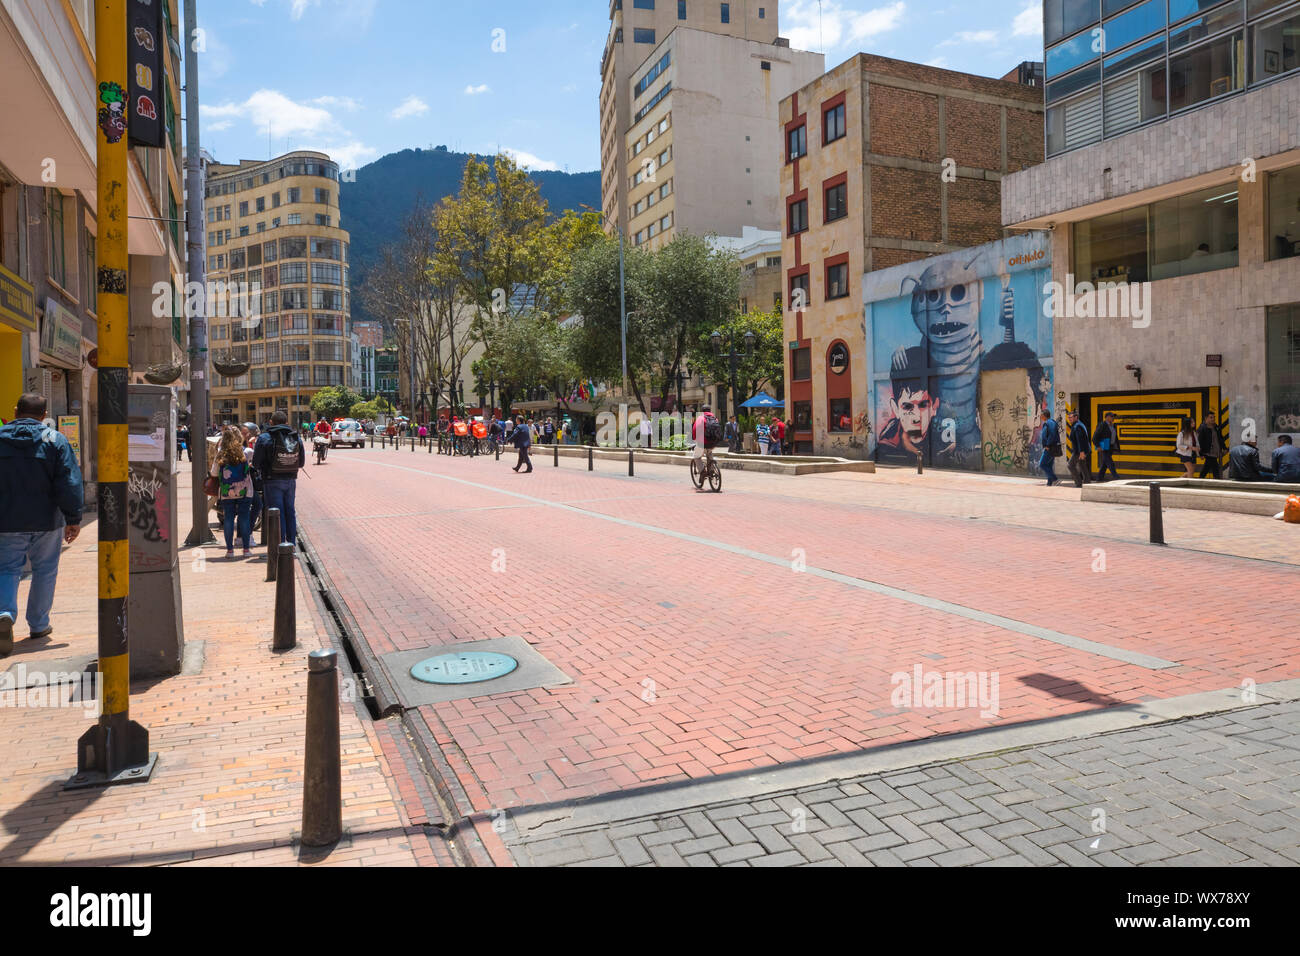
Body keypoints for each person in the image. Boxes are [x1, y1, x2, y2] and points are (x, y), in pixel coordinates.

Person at [0, 394, 82, 656]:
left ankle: (4, 613)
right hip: (47, 520)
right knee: (45, 571)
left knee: (7, 569)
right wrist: (73, 518)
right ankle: (39, 625)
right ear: (44, 413)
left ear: (15, 411)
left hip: (6, 520)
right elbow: (69, 482)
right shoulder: (55, 440)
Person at [254, 410, 306, 546]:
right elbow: (301, 463)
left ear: (271, 422)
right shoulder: (295, 437)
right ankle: (291, 545)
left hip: (271, 480)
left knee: (277, 513)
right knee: (290, 511)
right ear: (286, 422)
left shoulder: (264, 438)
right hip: (290, 480)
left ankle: (281, 546)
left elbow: (256, 463)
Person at [211, 426, 255, 558]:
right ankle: (246, 550)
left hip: (226, 492)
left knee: (229, 519)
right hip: (245, 490)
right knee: (244, 519)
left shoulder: (221, 454)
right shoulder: (247, 451)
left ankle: (230, 551)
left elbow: (213, 473)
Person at [1066, 410, 1092, 488]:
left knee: (1070, 465)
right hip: (1083, 450)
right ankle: (1087, 481)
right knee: (1082, 465)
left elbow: (1080, 439)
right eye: (1068, 417)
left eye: (1071, 417)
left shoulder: (1077, 426)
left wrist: (1081, 452)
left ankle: (1078, 483)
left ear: (1076, 417)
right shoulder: (1079, 424)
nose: (1069, 419)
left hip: (1079, 451)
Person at [1094, 412, 1121, 482]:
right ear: (1107, 417)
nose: (1113, 418)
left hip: (1111, 446)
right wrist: (1098, 446)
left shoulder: (1113, 426)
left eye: (1113, 417)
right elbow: (1095, 437)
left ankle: (1099, 478)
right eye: (1112, 416)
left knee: (1105, 463)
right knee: (1110, 462)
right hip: (1104, 446)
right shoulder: (1102, 425)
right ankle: (1116, 477)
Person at [1038, 408, 1062, 487]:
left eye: (1041, 415)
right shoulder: (1049, 422)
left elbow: (1052, 435)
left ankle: (1055, 479)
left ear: (1044, 415)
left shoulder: (1049, 423)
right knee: (1048, 465)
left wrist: (1047, 445)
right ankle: (1049, 482)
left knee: (1042, 464)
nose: (1040, 416)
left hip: (1050, 448)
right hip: (1051, 447)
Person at [1197, 412, 1225, 479]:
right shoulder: (1202, 428)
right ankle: (1217, 480)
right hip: (1208, 452)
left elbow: (1220, 438)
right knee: (1215, 467)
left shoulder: (1216, 427)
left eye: (1214, 417)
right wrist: (1200, 454)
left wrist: (1224, 447)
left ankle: (1200, 479)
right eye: (1211, 417)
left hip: (1215, 451)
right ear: (1206, 418)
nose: (1213, 419)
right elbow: (1199, 442)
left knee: (1207, 467)